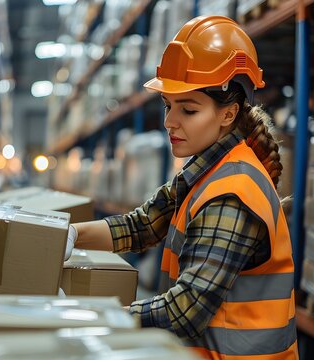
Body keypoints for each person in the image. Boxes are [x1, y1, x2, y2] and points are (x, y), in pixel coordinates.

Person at [65, 15, 298, 360]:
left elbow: (183, 312)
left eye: (188, 110)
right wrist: (70, 234)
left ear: (228, 113)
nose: (170, 122)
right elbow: (142, 225)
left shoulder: (231, 195)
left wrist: (95, 316)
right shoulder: (204, 172)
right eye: (168, 106)